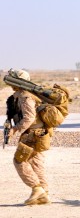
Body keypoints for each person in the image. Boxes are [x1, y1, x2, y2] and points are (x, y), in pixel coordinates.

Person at [6, 69, 51, 205]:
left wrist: (15, 129)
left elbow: (29, 118)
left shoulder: (25, 96)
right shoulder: (28, 94)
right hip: (41, 134)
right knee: (35, 163)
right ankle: (43, 193)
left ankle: (37, 189)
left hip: (33, 135)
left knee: (19, 161)